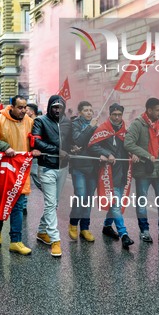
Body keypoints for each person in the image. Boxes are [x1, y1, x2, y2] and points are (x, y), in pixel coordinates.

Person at [0, 95, 39, 255]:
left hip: (20, 171)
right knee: (0, 203)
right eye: (20, 107)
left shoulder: (29, 121)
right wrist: (4, 147)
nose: (23, 110)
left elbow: (35, 138)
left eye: (25, 107)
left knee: (18, 205)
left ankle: (16, 240)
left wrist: (35, 148)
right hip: (2, 171)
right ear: (11, 107)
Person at [125, 97, 159, 244]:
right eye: (157, 110)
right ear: (149, 110)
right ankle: (144, 230)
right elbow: (128, 143)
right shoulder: (137, 124)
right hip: (144, 170)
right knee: (142, 201)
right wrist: (147, 155)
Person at [88, 103, 135, 249]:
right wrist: (106, 153)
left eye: (119, 114)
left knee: (116, 203)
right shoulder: (102, 128)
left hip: (123, 172)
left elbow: (130, 145)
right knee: (115, 204)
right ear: (110, 115)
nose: (116, 117)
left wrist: (134, 154)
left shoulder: (126, 131)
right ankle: (124, 234)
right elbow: (92, 145)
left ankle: (107, 226)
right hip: (108, 173)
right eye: (114, 114)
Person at [31, 95, 72, 257]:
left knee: (53, 203)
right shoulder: (40, 121)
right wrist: (57, 150)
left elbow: (71, 141)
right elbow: (36, 141)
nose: (57, 110)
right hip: (46, 167)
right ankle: (55, 240)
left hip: (63, 168)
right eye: (54, 107)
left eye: (60, 107)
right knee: (50, 204)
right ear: (49, 107)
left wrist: (72, 148)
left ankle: (42, 231)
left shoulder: (67, 123)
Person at [68, 101, 98, 242]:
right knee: (80, 196)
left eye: (91, 110)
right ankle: (73, 224)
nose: (89, 113)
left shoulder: (96, 125)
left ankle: (85, 228)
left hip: (93, 167)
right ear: (80, 112)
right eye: (86, 110)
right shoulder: (75, 124)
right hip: (79, 166)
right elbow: (79, 140)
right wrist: (90, 128)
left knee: (88, 199)